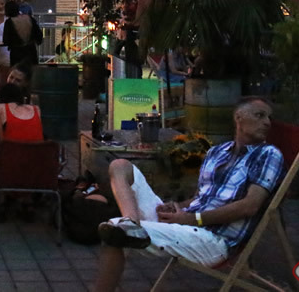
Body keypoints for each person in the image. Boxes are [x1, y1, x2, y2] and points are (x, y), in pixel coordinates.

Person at [94, 97, 285, 291]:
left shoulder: (268, 154)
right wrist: (177, 207)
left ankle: (127, 228)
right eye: (260, 115)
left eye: (269, 118)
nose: (267, 122)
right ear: (239, 117)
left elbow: (250, 206)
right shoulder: (217, 152)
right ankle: (131, 222)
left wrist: (193, 219)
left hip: (213, 240)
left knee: (114, 232)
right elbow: (199, 198)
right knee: (120, 166)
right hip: (188, 223)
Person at [3, 0, 42, 67]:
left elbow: (6, 40)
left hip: (16, 53)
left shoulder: (9, 22)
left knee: (18, 70)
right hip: (31, 51)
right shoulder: (29, 18)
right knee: (32, 71)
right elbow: (39, 35)